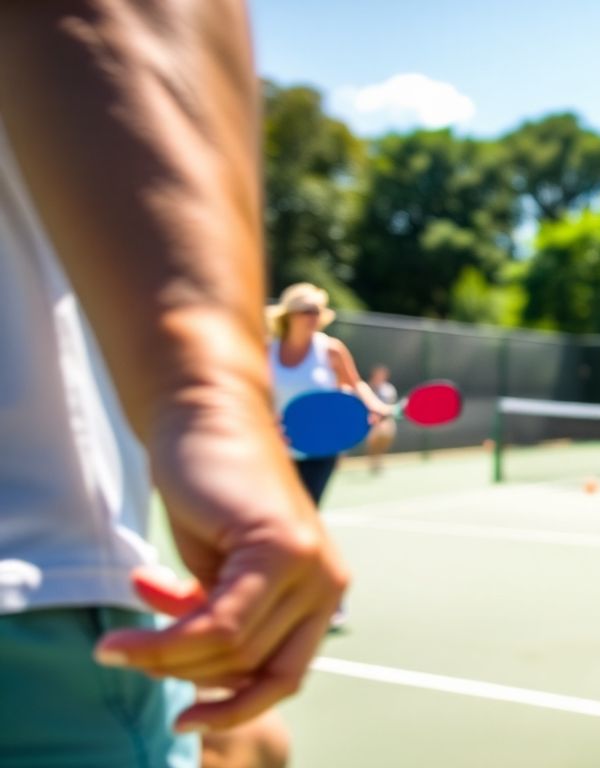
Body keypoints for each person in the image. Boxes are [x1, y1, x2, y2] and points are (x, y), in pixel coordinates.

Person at [0, 2, 347, 766]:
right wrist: (208, 400)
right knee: (256, 744)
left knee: (255, 742)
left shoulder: (326, 353)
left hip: (37, 592)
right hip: (29, 598)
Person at [267, 282, 392, 505]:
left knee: (306, 513)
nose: (314, 316)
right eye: (307, 311)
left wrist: (374, 405)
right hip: (273, 450)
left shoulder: (331, 350)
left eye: (317, 311)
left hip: (320, 448)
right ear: (289, 315)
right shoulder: (267, 351)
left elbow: (355, 384)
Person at [364, 365, 400, 474]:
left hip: (386, 420)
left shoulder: (389, 389)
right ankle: (373, 461)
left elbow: (391, 406)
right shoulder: (367, 388)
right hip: (372, 420)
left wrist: (386, 416)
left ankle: (379, 459)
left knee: (387, 437)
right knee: (374, 440)